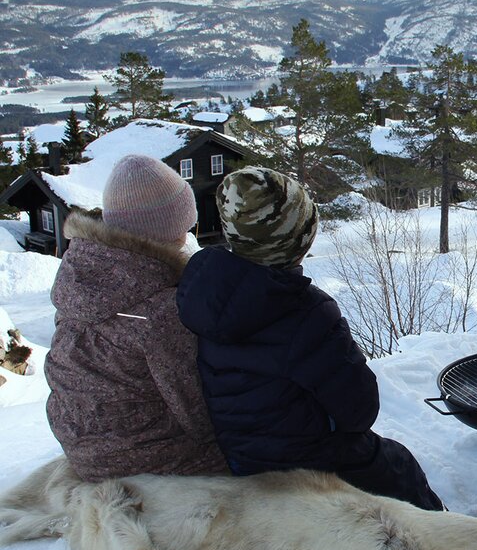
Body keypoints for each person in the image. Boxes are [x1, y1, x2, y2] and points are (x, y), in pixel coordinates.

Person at [176, 166, 443, 510]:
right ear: (296, 241)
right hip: (306, 467)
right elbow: (360, 411)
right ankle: (436, 541)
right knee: (398, 465)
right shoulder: (306, 313)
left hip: (244, 461)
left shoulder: (203, 290)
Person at [45, 154, 228, 481]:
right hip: (143, 463)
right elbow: (198, 417)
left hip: (80, 447)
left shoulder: (79, 275)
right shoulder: (160, 308)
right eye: (182, 228)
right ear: (164, 231)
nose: (187, 237)